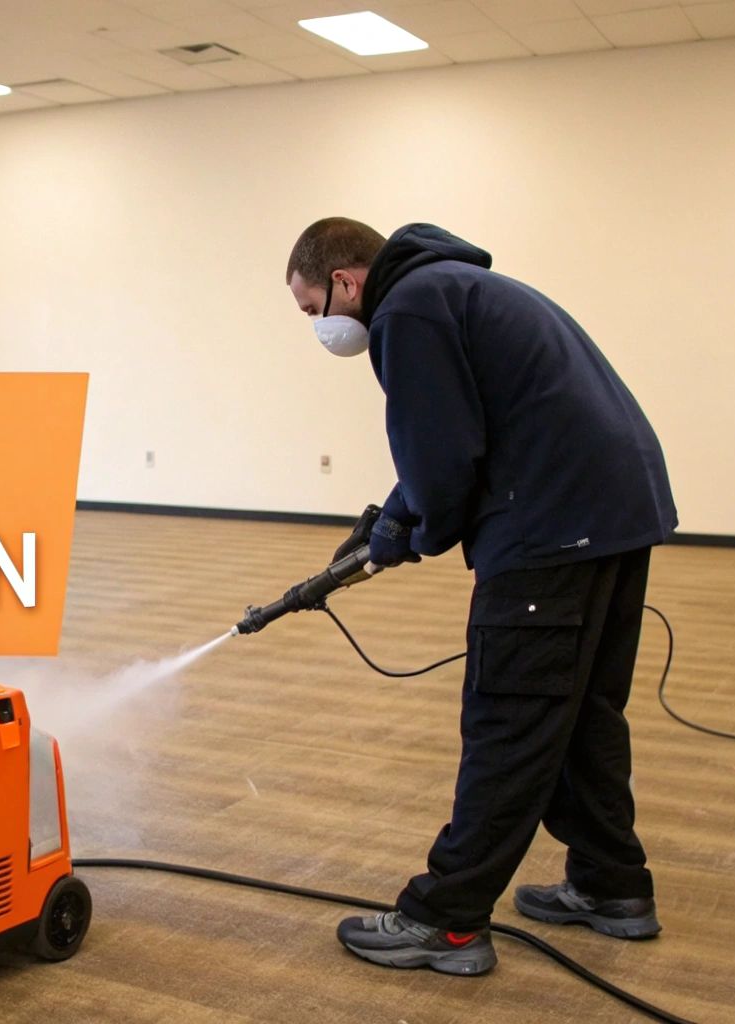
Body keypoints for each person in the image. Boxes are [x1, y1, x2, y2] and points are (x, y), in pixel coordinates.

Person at [284, 218, 677, 976]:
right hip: (615, 515)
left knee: (511, 720)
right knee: (581, 714)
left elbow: (442, 457)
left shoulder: (408, 309)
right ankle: (612, 886)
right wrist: (396, 514)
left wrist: (414, 528)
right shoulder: (455, 287)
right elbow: (455, 435)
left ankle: (447, 919)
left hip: (551, 528)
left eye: (312, 310)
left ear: (346, 280)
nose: (320, 328)